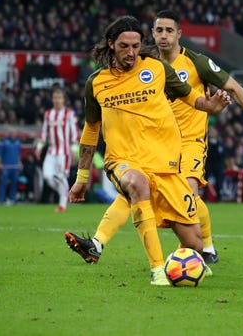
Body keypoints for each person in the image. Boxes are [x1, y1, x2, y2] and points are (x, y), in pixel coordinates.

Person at [64, 15, 232, 285]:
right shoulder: (96, 82)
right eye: (123, 46)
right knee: (136, 184)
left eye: (135, 46)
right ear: (111, 45)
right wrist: (81, 179)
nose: (130, 52)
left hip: (166, 166)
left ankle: (101, 245)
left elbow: (192, 97)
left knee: (195, 244)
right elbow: (91, 129)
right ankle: (157, 270)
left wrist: (211, 106)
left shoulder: (156, 68)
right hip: (124, 161)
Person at [34, 87, 80, 212]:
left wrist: (73, 148)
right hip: (51, 152)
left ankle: (62, 204)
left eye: (59, 98)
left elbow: (75, 133)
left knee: (61, 177)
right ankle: (64, 193)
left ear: (63, 100)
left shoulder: (69, 114)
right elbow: (43, 133)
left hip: (63, 153)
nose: (57, 100)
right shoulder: (48, 114)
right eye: (55, 98)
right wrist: (39, 147)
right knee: (47, 176)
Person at [0, 127, 22, 205]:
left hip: (15, 166)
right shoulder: (3, 142)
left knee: (14, 184)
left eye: (14, 132)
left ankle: (12, 199)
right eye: (11, 132)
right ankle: (1, 200)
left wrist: (19, 163)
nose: (13, 134)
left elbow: (18, 154)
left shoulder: (18, 142)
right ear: (8, 133)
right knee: (3, 183)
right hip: (6, 166)